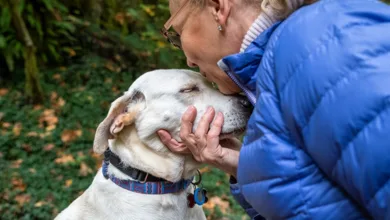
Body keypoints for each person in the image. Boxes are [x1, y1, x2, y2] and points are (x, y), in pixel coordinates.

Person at [157, 0, 390, 219]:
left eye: (178, 33)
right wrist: (243, 166)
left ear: (218, 7)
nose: (187, 60)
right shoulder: (279, 72)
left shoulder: (319, 43)